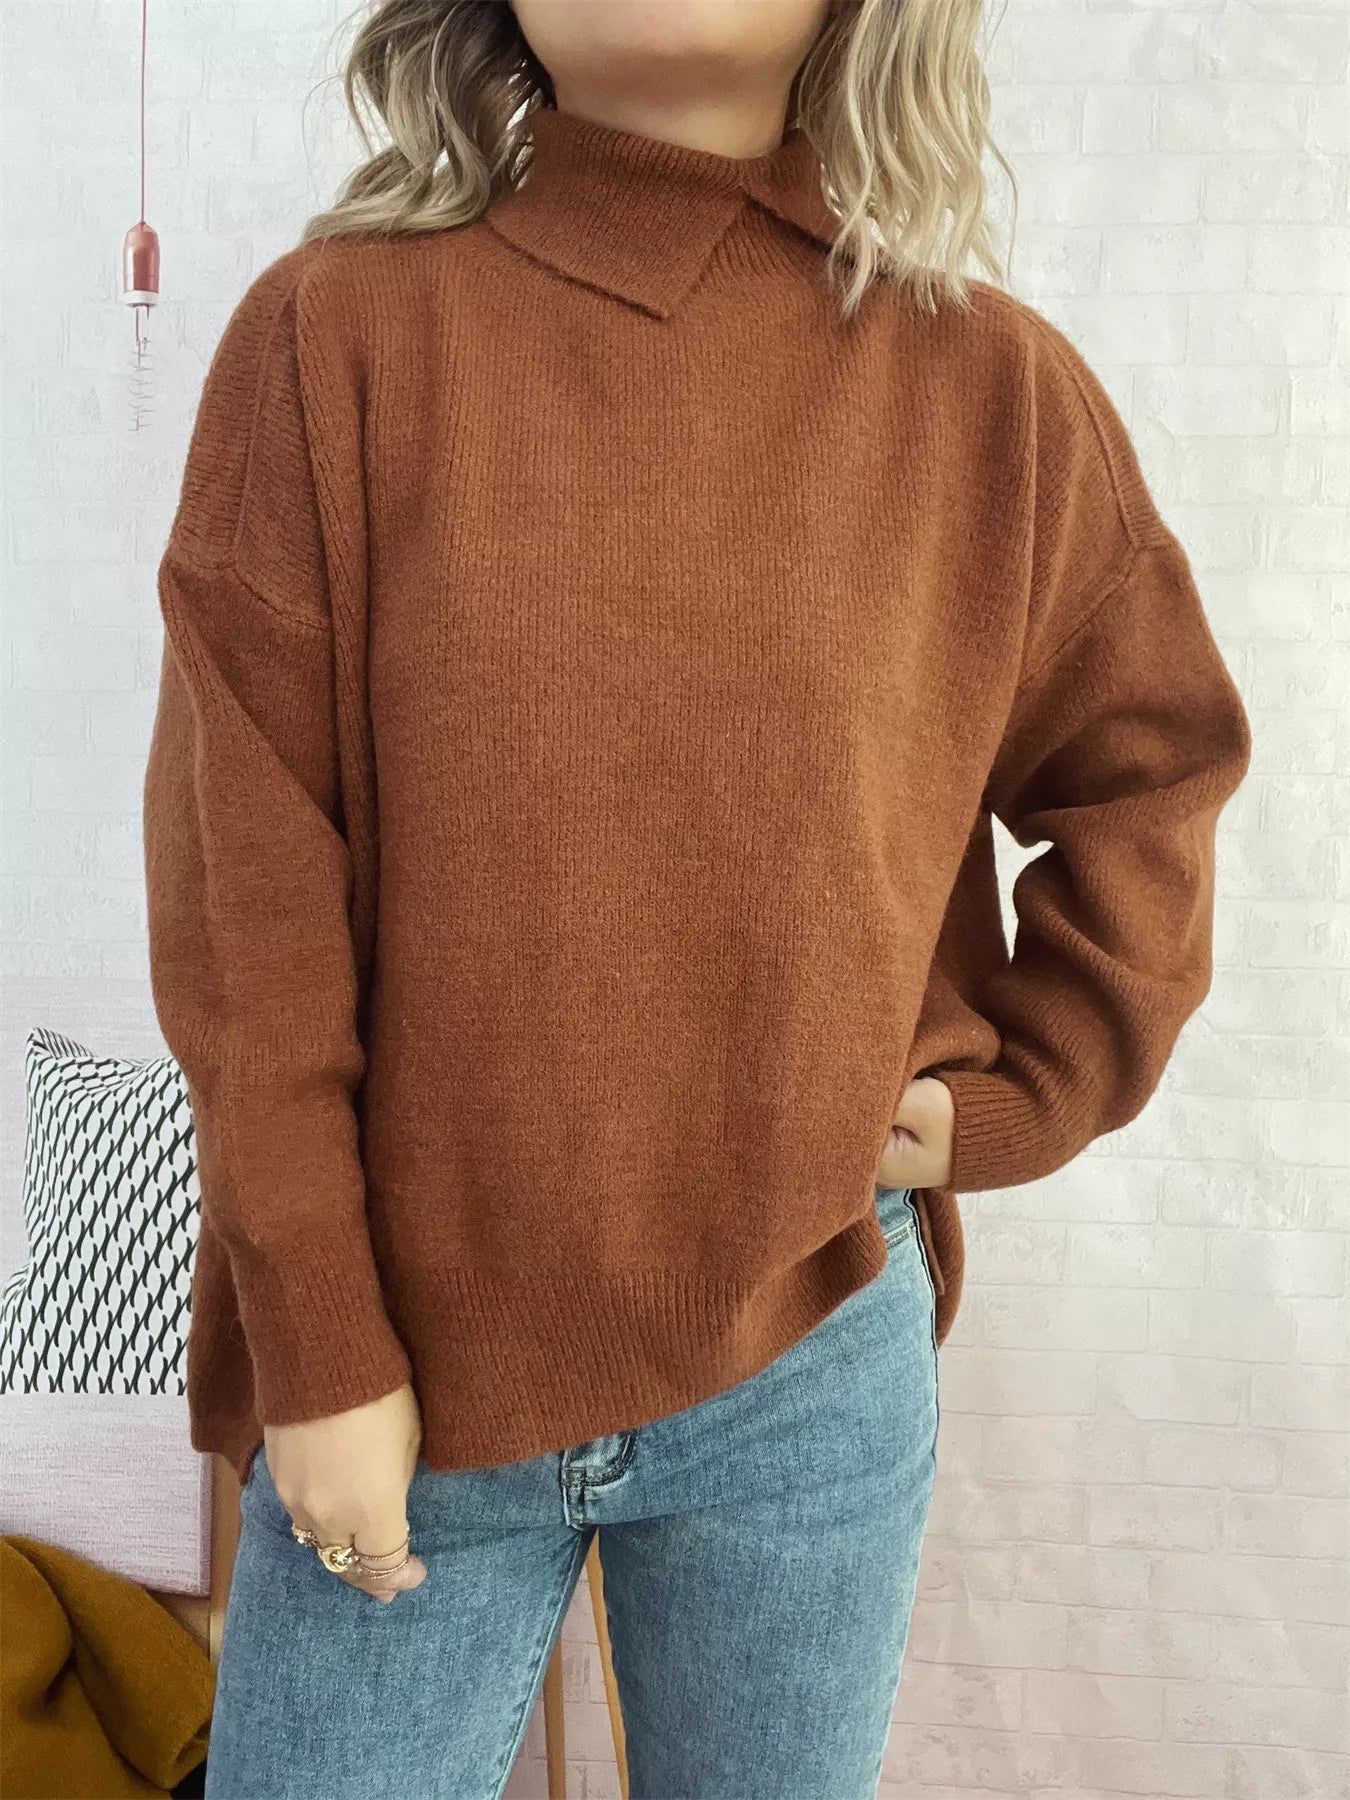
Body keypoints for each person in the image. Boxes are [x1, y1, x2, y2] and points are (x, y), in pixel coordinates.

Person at [140, 1, 1253, 1795]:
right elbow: (244, 912)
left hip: (808, 1347)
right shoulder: (332, 341)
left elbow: (1149, 771)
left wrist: (1032, 1088)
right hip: (403, 1358)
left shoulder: (990, 392)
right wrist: (320, 1345)